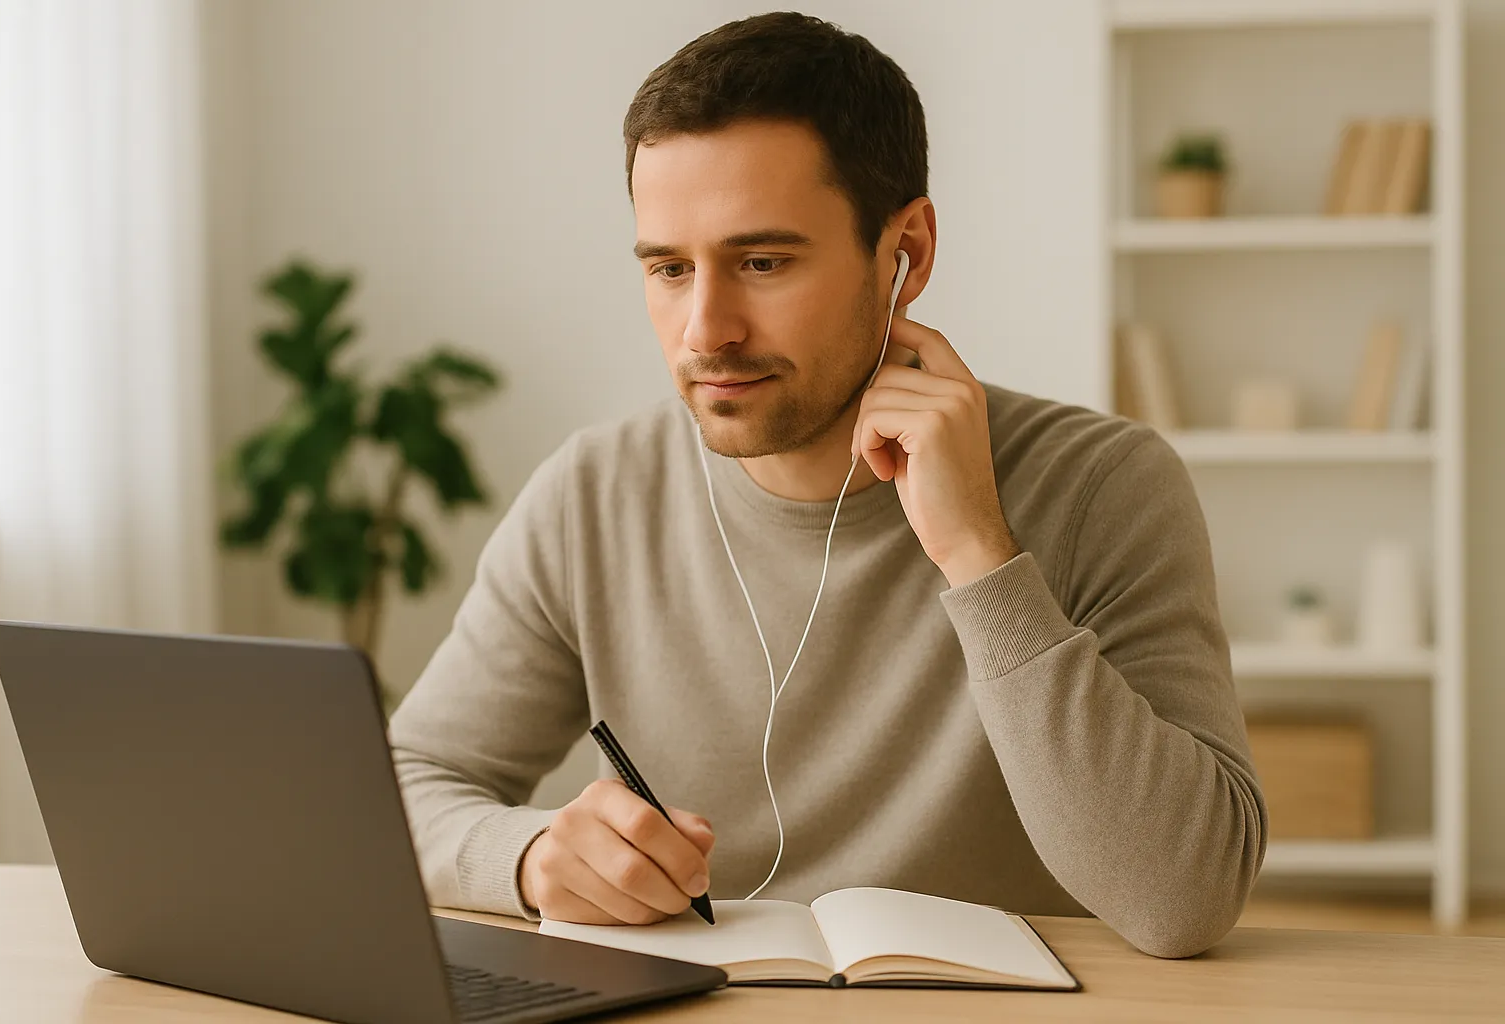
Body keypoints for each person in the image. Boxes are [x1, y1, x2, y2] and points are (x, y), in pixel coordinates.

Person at [388, 11, 1266, 960]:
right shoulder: (592, 496)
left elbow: (1185, 900)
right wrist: (526, 858)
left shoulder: (1102, 485)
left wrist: (979, 554)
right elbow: (401, 780)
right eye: (670, 269)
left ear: (907, 254)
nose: (704, 329)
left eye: (762, 262)